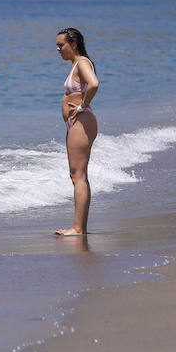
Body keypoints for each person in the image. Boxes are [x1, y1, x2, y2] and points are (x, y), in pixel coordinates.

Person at [54, 28, 100, 236]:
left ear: (73, 44)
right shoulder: (77, 63)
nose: (57, 49)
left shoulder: (81, 62)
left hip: (82, 120)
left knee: (78, 175)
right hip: (77, 122)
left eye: (61, 45)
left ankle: (77, 228)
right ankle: (80, 227)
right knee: (77, 175)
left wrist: (82, 105)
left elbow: (94, 84)